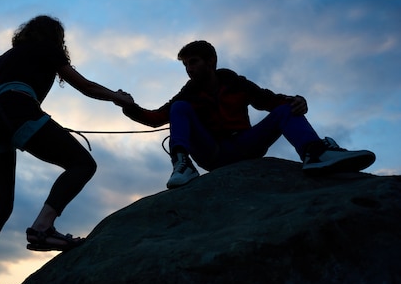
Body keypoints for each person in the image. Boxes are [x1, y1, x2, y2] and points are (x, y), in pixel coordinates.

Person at [0, 15, 133, 284]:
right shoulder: (47, 49)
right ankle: (43, 229)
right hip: (17, 109)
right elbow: (84, 85)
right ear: (55, 37)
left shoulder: (5, 57)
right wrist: (118, 97)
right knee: (82, 163)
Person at [121, 40, 375, 189]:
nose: (188, 69)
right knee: (179, 108)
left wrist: (296, 100)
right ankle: (182, 165)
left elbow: (266, 100)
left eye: (194, 62)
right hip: (213, 153)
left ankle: (315, 153)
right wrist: (128, 105)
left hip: (245, 145)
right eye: (186, 64)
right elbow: (155, 118)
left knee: (284, 108)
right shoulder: (188, 93)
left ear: (210, 61)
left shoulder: (233, 81)